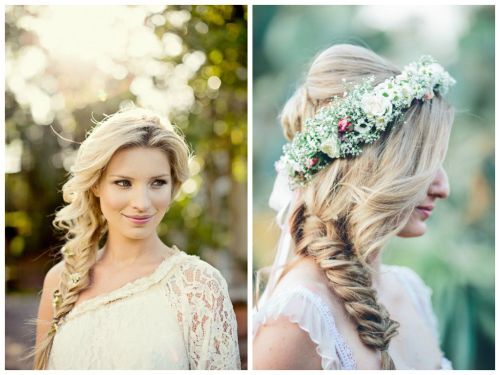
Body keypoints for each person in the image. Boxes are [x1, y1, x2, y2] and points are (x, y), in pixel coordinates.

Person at [253, 44, 455, 370]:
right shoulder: (297, 319)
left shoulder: (411, 290)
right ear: (369, 167)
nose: (443, 188)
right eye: (422, 163)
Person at [33, 108, 240, 370]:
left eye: (157, 183)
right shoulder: (60, 280)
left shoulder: (200, 287)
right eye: (123, 183)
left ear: (173, 186)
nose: (141, 203)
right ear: (96, 185)